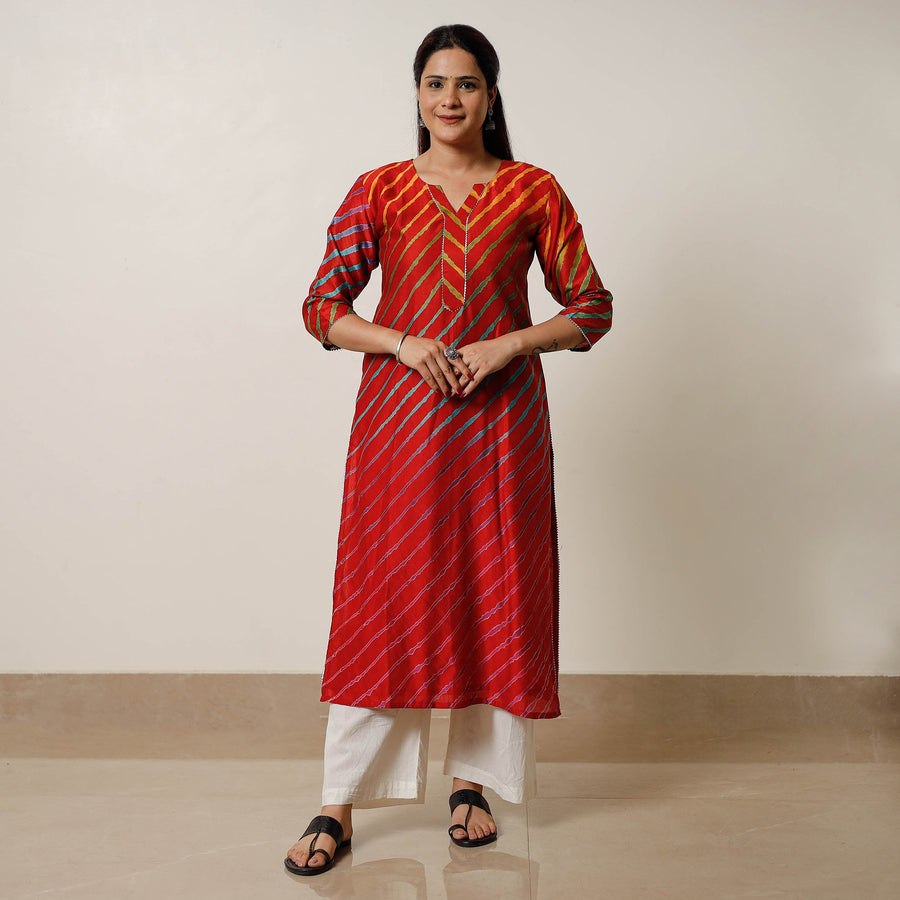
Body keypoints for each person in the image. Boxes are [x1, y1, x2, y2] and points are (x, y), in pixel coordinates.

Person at [285, 23, 612, 875]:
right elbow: (322, 307)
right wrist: (400, 342)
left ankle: (474, 784)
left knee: (492, 590)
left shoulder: (533, 190)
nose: (450, 99)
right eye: (435, 83)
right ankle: (338, 803)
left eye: (467, 83)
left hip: (502, 430)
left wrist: (509, 344)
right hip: (401, 428)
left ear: (491, 96)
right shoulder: (382, 190)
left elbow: (591, 307)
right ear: (417, 94)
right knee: (385, 598)